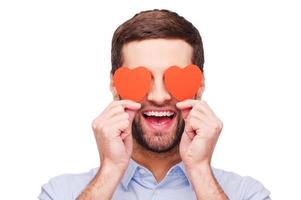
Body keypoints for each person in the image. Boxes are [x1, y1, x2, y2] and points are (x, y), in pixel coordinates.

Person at [39, 9, 271, 200]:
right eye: (141, 78)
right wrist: (110, 169)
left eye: (173, 78)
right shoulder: (60, 192)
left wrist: (200, 170)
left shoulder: (247, 193)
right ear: (114, 85)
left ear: (199, 86)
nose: (159, 97)